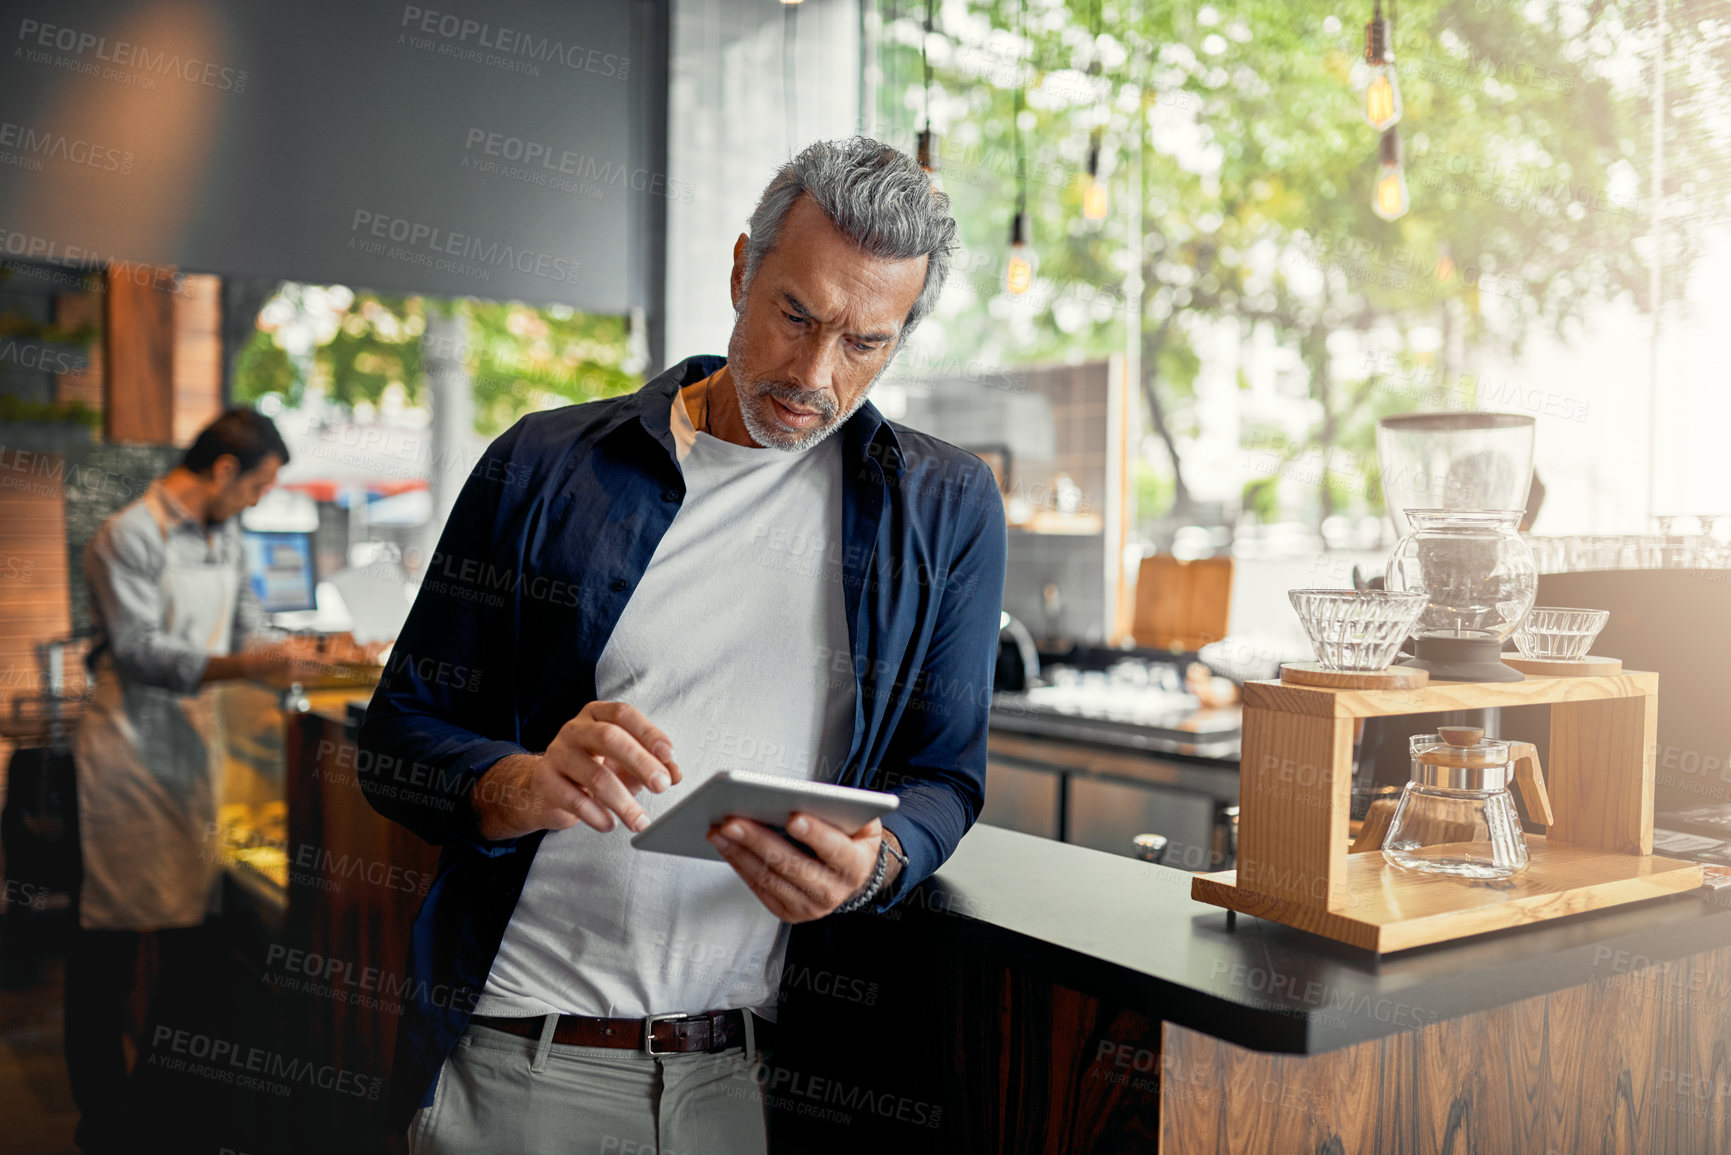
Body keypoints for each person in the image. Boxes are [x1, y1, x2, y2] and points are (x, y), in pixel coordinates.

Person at [357, 137, 1006, 1153]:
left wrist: (878, 862)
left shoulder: (945, 506)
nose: (816, 373)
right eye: (797, 315)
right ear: (743, 267)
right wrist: (517, 783)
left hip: (750, 1080)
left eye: (866, 343)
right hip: (524, 1051)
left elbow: (946, 776)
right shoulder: (543, 464)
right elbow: (395, 737)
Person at [65, 408, 327, 1153]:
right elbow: (143, 652)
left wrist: (303, 649)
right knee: (105, 952)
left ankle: (160, 1108)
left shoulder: (228, 535)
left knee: (191, 945)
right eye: (259, 485)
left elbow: (245, 626)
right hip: (125, 758)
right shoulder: (128, 535)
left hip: (194, 760)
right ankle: (100, 1119)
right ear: (222, 470)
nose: (257, 502)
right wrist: (249, 666)